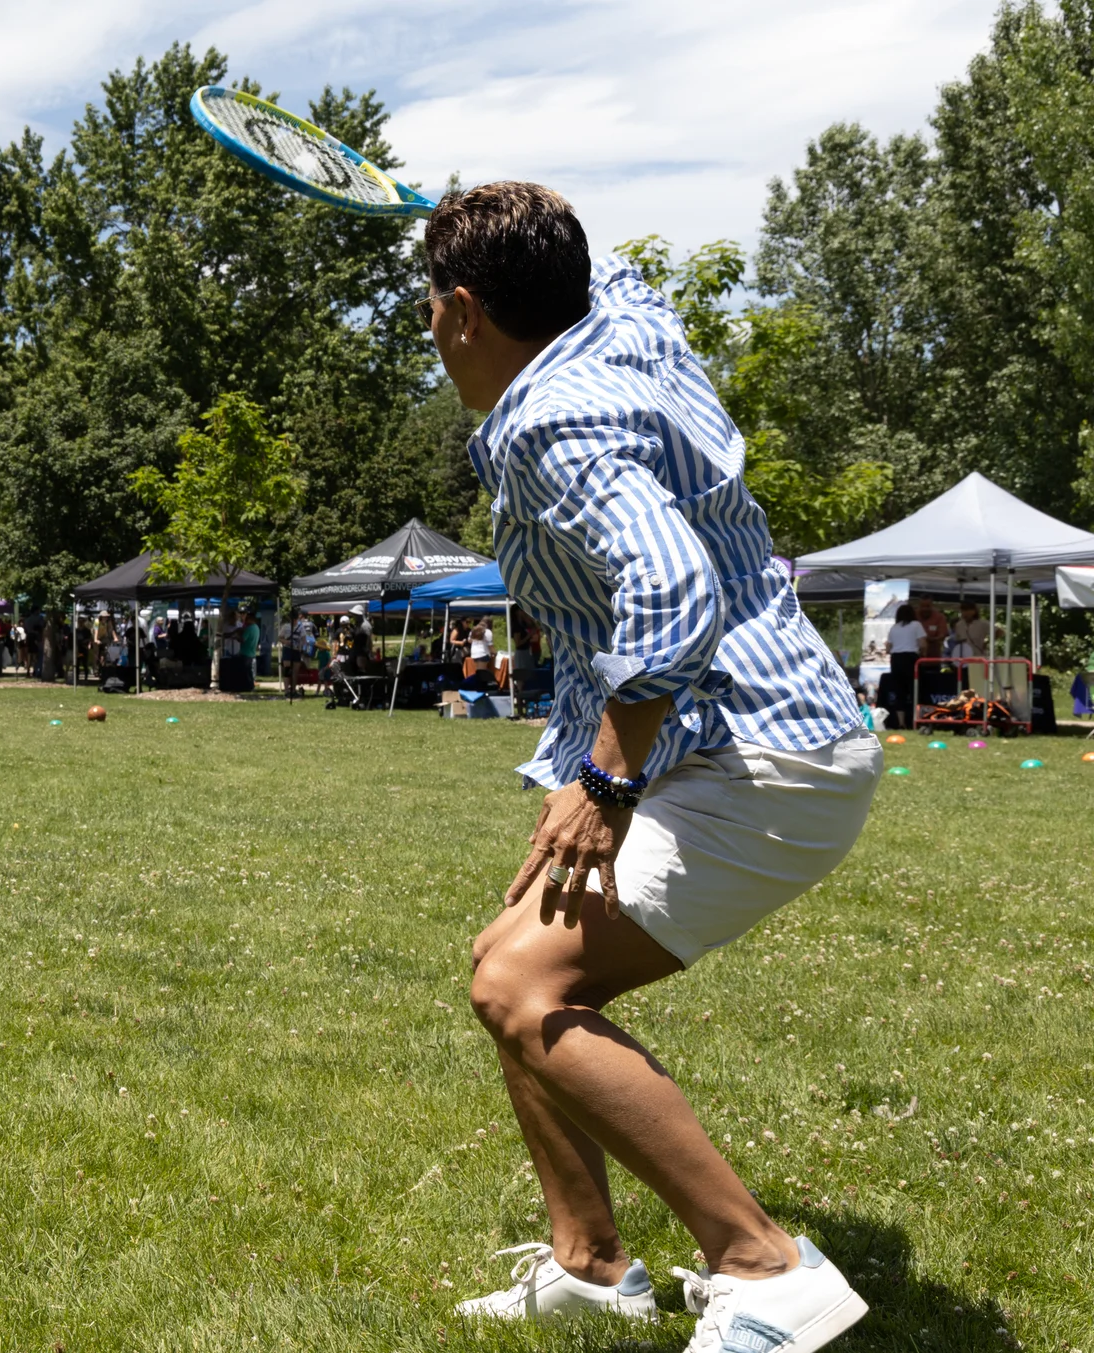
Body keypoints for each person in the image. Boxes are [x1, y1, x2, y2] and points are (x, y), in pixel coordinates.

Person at [426, 183, 877, 1346]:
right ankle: (588, 1265)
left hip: (747, 755)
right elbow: (603, 270)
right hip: (756, 735)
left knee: (522, 989)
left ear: (463, 311)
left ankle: (764, 1273)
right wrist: (467, 210)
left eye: (432, 298)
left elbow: (669, 589)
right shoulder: (617, 323)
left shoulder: (550, 424)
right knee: (502, 968)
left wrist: (605, 781)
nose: (425, 322)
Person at [885, 602, 924, 726]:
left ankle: (901, 722)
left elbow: (888, 648)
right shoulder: (916, 625)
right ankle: (915, 720)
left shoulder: (894, 627)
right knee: (915, 689)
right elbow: (923, 644)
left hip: (896, 659)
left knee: (899, 691)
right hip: (911, 658)